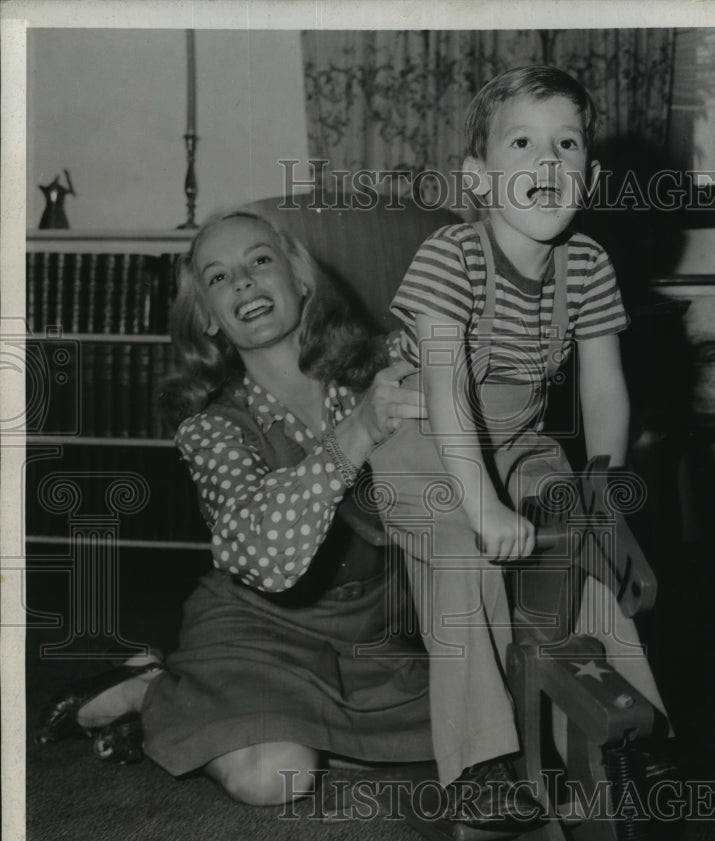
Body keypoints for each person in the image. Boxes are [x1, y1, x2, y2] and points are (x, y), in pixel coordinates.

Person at [36, 208, 441, 809]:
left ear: (301, 279)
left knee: (498, 725)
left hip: (373, 637)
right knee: (275, 778)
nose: (244, 282)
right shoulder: (213, 429)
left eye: (259, 260)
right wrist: (354, 436)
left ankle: (251, 719)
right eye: (219, 277)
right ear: (207, 316)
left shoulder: (378, 371)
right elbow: (262, 555)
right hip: (257, 631)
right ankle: (153, 691)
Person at [367, 66, 670, 796]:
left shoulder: (588, 263)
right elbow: (445, 394)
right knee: (463, 541)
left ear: (587, 176)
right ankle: (480, 762)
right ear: (478, 176)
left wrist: (600, 484)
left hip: (518, 441)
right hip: (427, 447)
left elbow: (603, 385)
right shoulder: (451, 257)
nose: (547, 161)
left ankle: (629, 725)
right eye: (524, 142)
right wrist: (482, 506)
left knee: (589, 536)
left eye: (566, 144)